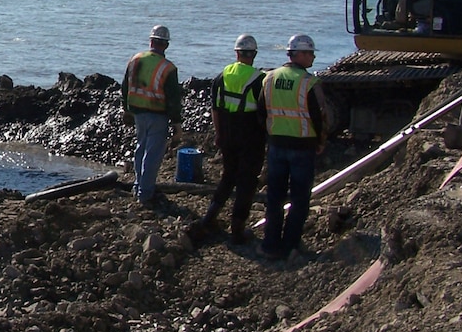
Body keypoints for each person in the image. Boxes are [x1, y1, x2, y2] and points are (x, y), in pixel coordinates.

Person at [257, 34, 329, 260]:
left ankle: (270, 245)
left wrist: (271, 133)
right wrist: (321, 141)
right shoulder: (309, 83)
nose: (314, 57)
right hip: (302, 147)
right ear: (301, 54)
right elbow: (321, 117)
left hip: (277, 145)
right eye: (311, 53)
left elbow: (261, 112)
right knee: (299, 199)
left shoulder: (269, 78)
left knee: (275, 198)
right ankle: (290, 245)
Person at [194, 34, 266, 245]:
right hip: (250, 135)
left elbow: (215, 109)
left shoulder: (221, 76)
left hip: (227, 133)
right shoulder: (259, 79)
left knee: (228, 177)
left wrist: (219, 134)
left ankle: (209, 217)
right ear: (253, 54)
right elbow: (264, 112)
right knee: (247, 181)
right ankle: (237, 227)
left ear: (236, 53)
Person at [122, 25, 183, 207]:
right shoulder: (168, 68)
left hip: (138, 112)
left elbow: (125, 86)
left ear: (151, 41)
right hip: (158, 114)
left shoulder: (135, 59)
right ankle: (145, 194)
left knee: (140, 149)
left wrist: (126, 109)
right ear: (166, 45)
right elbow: (173, 99)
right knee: (152, 155)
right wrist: (177, 124)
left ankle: (137, 185)